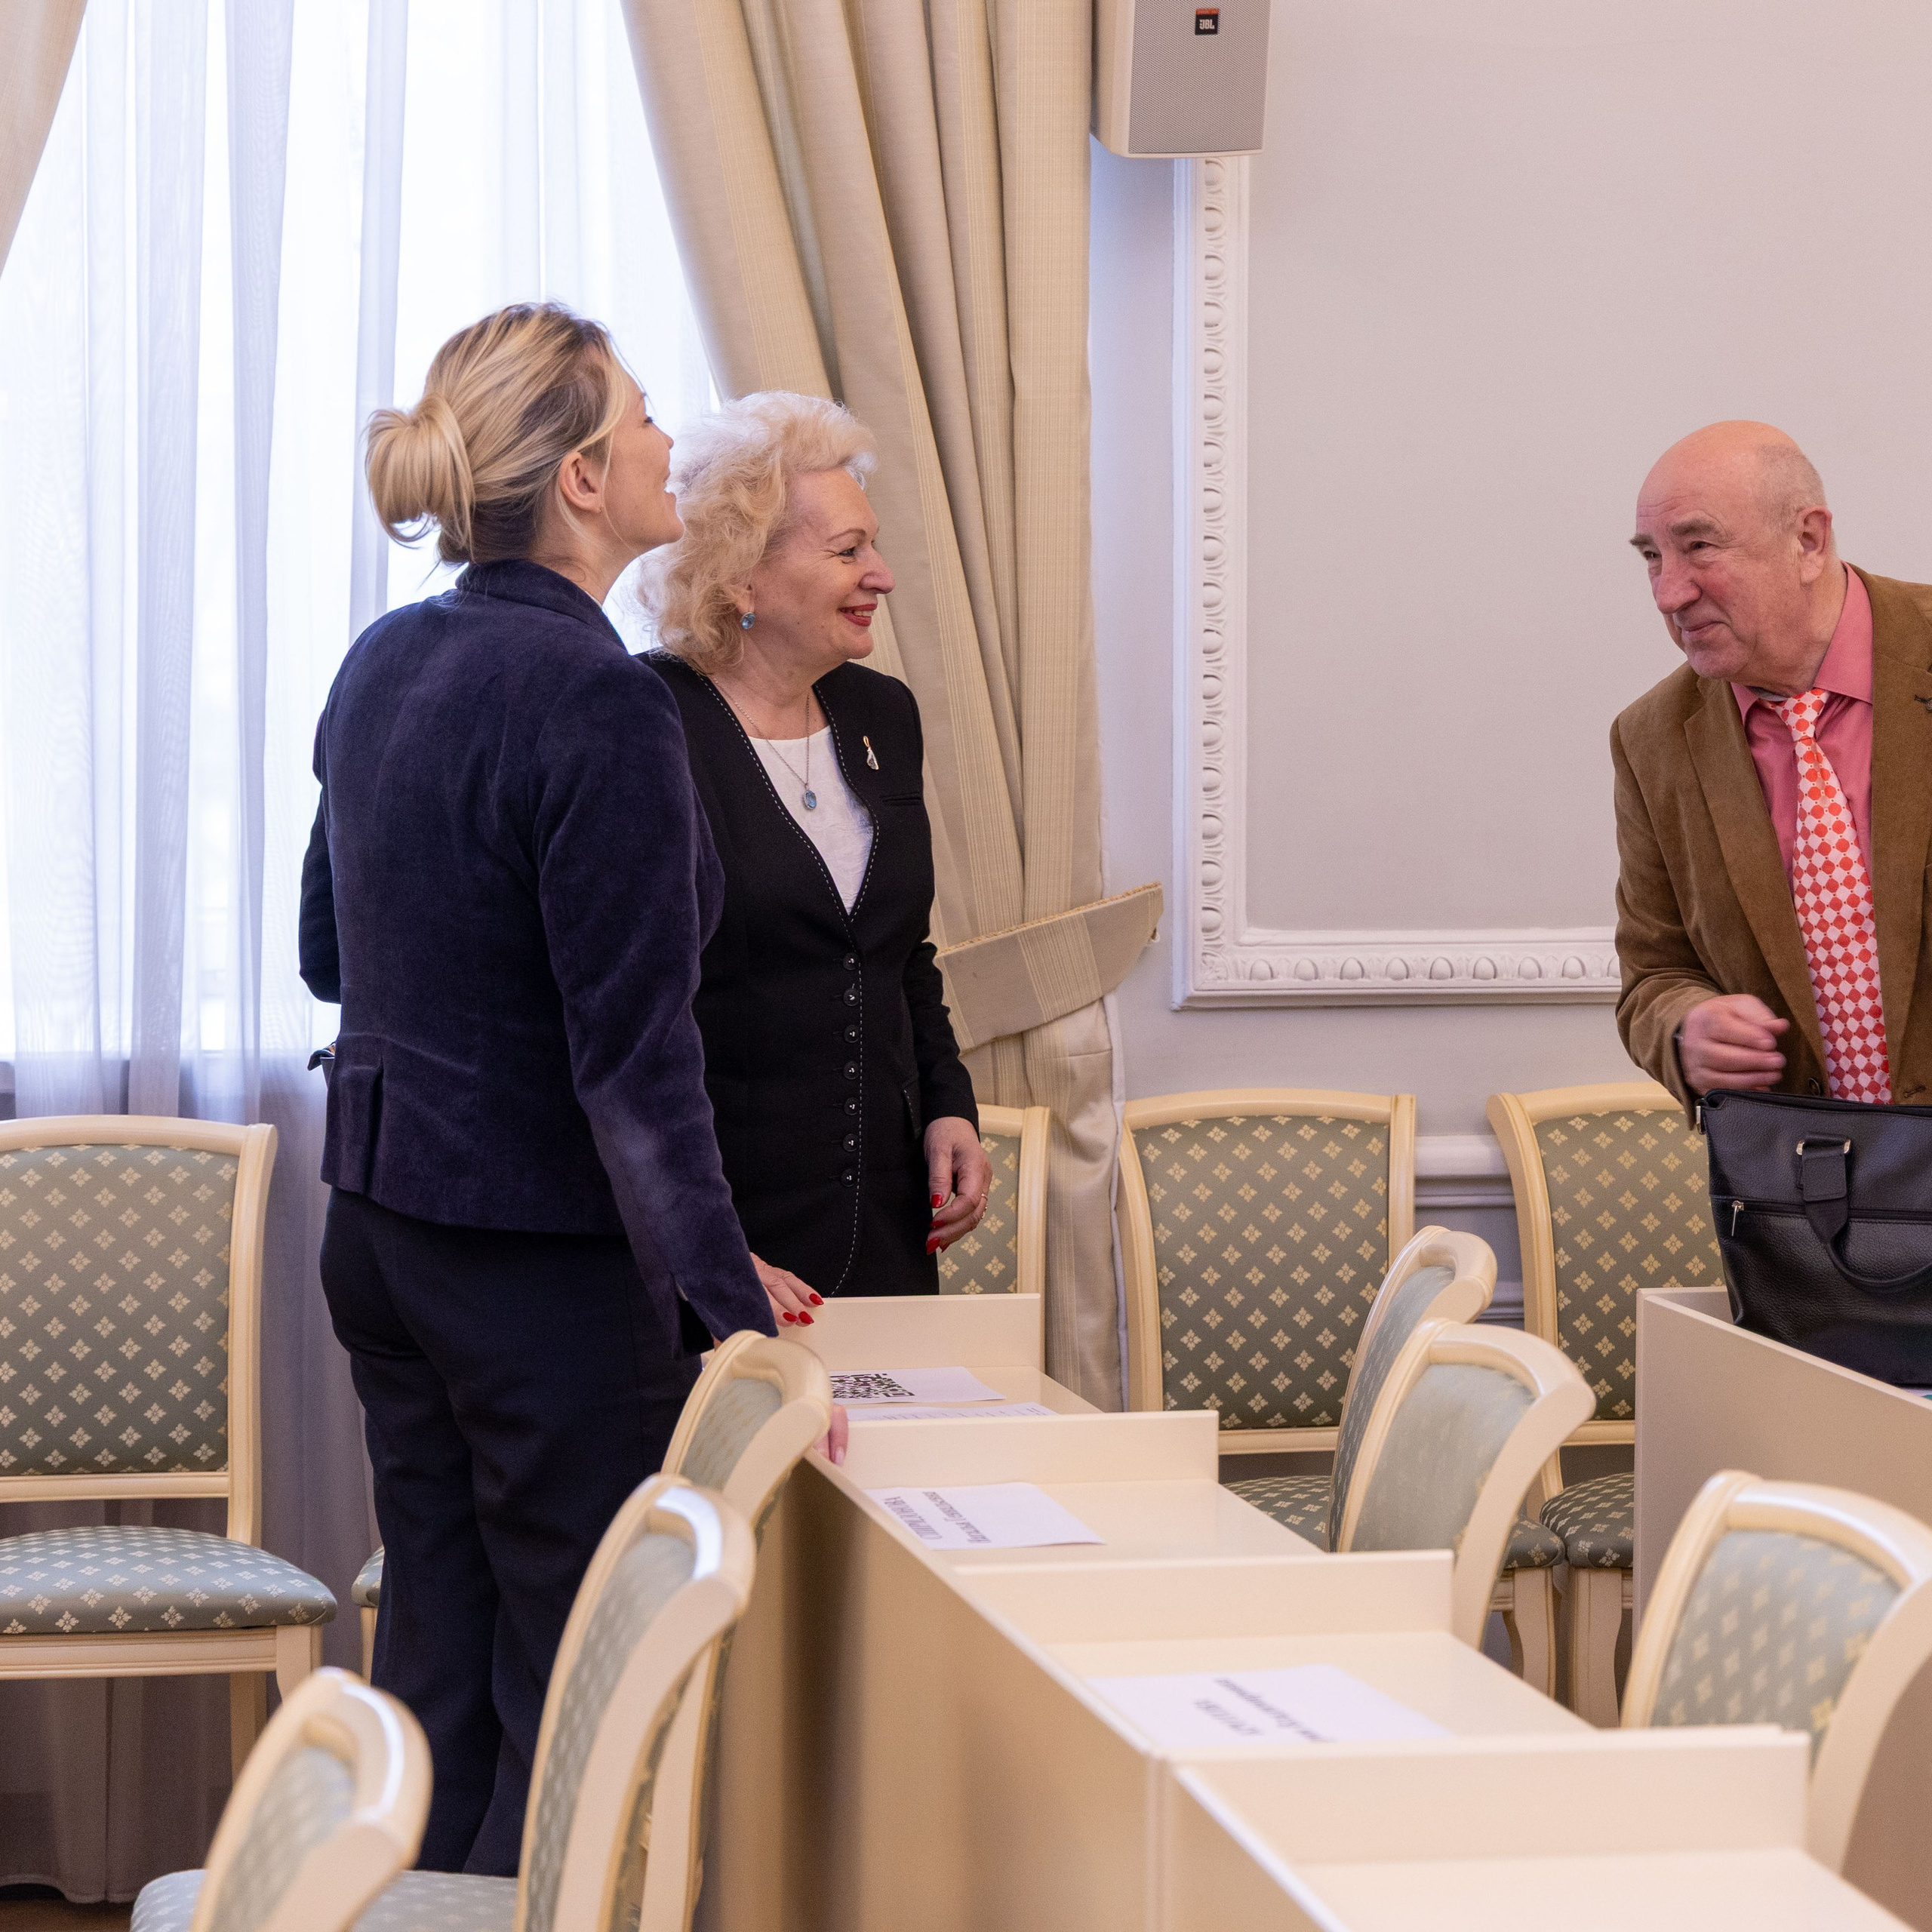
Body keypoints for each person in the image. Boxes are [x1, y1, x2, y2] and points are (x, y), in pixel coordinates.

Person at [298, 304, 777, 1877]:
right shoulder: (602, 702)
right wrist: (737, 1312)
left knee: (436, 1659)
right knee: (573, 1671)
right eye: (639, 419)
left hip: (378, 1229)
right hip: (530, 1261)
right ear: (580, 477)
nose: (663, 442)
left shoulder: (386, 659)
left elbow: (324, 947)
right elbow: (635, 1068)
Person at [635, 391, 990, 1311]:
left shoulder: (884, 715)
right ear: (740, 577)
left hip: (884, 1213)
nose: (882, 576)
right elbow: (630, 1014)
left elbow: (899, 951)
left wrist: (951, 1102)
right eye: (847, 551)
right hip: (724, 1221)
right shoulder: (643, 723)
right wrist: (701, 1243)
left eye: (871, 544)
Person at [1615, 420, 1932, 1109]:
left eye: (1699, 547)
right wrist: (1683, 1031)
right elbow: (1654, 974)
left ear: (1808, 541)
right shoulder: (1653, 741)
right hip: (1799, 1198)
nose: (1670, 593)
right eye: (1652, 556)